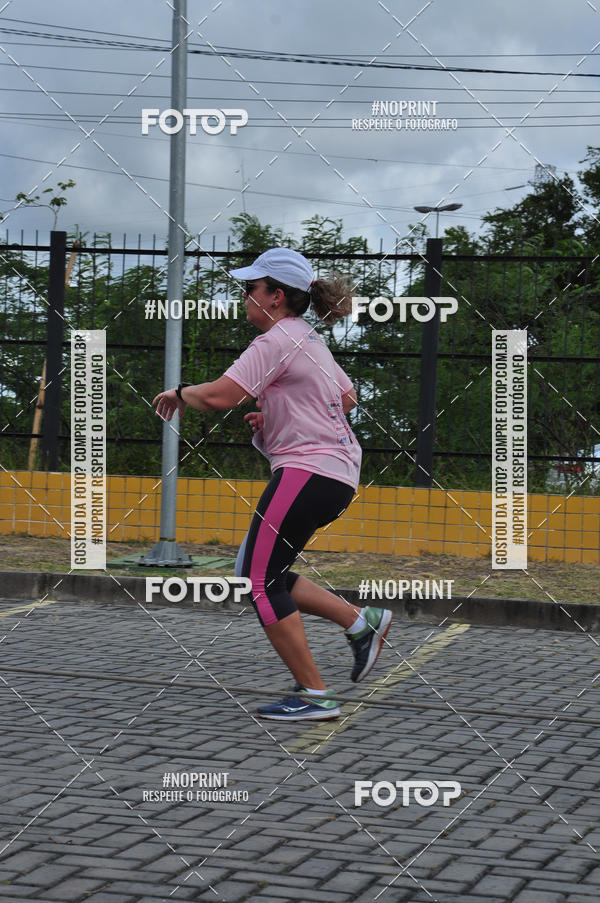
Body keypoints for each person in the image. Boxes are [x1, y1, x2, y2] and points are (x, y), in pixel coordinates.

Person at [152, 247, 392, 721]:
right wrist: (279, 411)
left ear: (275, 296)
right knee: (256, 568)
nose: (244, 298)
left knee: (260, 580)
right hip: (335, 476)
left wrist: (179, 393)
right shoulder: (307, 338)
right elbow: (346, 398)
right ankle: (360, 622)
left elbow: (222, 395)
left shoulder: (277, 340)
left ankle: (315, 695)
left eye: (250, 289)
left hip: (308, 472)